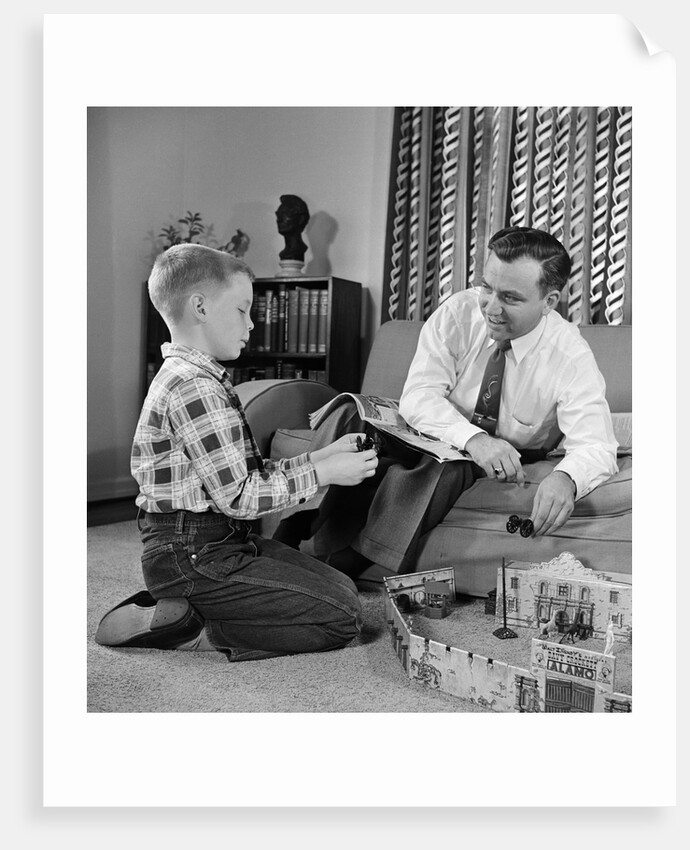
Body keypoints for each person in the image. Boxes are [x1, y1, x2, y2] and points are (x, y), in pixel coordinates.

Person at [274, 226, 618, 579]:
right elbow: (419, 395)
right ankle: (285, 535)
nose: (491, 308)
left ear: (549, 301)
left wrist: (566, 478)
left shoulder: (570, 355)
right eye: (487, 287)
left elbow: (597, 445)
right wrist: (473, 438)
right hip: (439, 429)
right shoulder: (459, 313)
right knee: (349, 412)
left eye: (510, 298)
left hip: (490, 455)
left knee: (450, 466)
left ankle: (345, 565)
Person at [95, 243, 378, 660]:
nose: (251, 324)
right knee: (342, 616)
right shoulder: (194, 387)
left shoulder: (197, 378)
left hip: (220, 542)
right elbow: (241, 497)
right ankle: (194, 629)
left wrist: (321, 457)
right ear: (201, 308)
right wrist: (324, 474)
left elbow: (246, 475)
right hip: (194, 556)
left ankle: (182, 606)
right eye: (242, 310)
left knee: (341, 588)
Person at [276, 194, 310, 262]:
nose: (279, 220)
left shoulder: (299, 250)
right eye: (278, 215)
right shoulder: (285, 253)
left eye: (285, 214)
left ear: (301, 219)